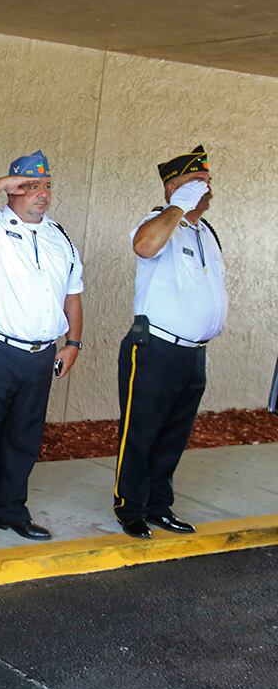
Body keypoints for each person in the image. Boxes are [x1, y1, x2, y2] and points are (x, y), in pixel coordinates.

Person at [0, 151, 84, 549]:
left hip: (41, 353)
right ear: (11, 190)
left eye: (46, 185)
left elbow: (72, 295)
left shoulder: (59, 236)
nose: (41, 193)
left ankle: (11, 510)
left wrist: (73, 342)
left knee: (23, 438)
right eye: (29, 186)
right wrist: (4, 183)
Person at [113, 146, 225, 538]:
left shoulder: (205, 232)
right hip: (155, 349)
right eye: (197, 182)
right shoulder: (159, 223)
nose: (206, 188)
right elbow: (144, 246)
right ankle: (130, 508)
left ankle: (159, 506)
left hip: (193, 354)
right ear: (173, 188)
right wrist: (177, 206)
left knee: (173, 436)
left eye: (207, 181)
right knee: (141, 432)